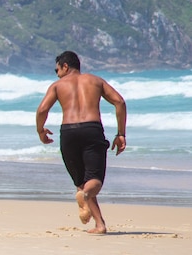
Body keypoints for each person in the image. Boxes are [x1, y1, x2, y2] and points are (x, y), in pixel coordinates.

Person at [35, 51, 127, 234]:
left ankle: (99, 224)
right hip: (91, 130)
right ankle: (86, 198)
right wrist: (120, 133)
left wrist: (41, 131)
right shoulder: (95, 81)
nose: (57, 74)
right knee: (95, 181)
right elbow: (120, 102)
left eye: (57, 70)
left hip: (68, 133)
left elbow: (42, 110)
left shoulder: (57, 86)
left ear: (65, 66)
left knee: (82, 182)